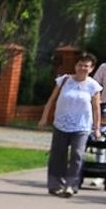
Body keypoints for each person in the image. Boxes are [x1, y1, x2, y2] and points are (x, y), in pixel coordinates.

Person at [38, 53, 103, 197]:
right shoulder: (64, 80)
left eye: (86, 66)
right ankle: (55, 185)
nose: (83, 68)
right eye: (80, 65)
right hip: (61, 123)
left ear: (91, 68)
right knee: (57, 155)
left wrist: (97, 129)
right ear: (75, 65)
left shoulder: (93, 86)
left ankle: (70, 185)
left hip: (81, 126)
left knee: (77, 154)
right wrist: (44, 118)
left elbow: (96, 108)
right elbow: (51, 100)